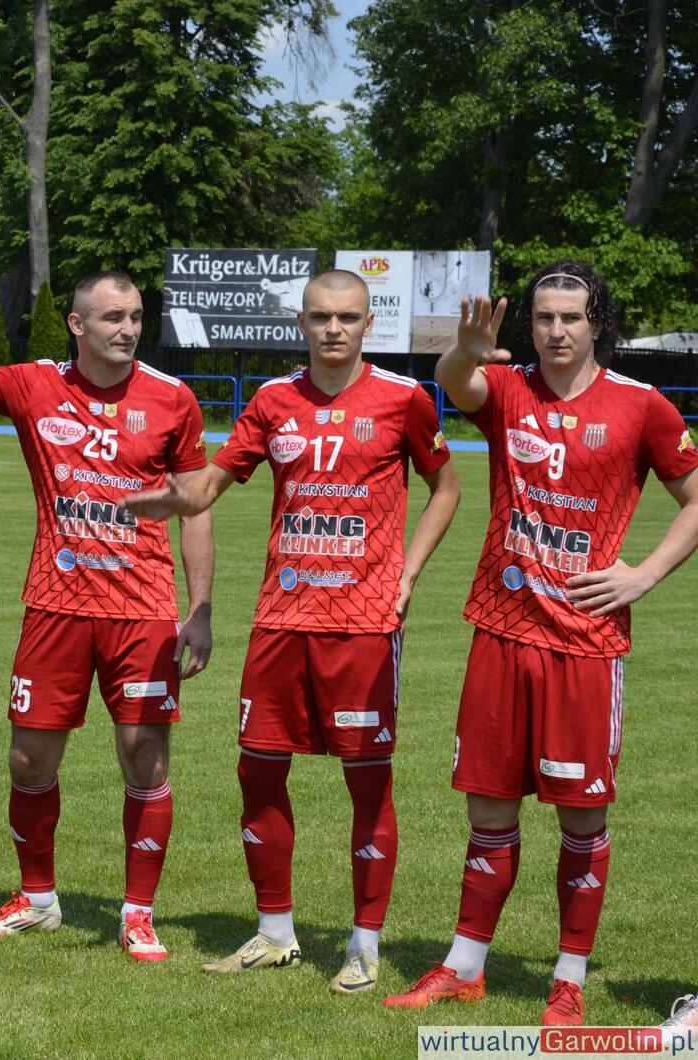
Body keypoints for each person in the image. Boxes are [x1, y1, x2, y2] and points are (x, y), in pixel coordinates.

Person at [124, 270, 460, 992]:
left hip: (363, 623)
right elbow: (213, 482)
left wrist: (406, 574)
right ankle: (275, 932)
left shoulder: (403, 398)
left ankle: (364, 944)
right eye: (320, 317)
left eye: (347, 317)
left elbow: (447, 488)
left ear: (368, 324)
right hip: (281, 618)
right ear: (301, 324)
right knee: (258, 771)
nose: (333, 328)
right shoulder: (273, 401)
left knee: (366, 781)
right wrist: (171, 496)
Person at [0, 236, 214, 961]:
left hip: (141, 611)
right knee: (29, 762)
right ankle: (37, 900)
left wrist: (201, 608)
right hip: (55, 605)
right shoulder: (35, 385)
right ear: (77, 324)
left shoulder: (172, 398)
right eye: (114, 317)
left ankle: (138, 913)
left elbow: (195, 507)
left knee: (145, 759)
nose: (128, 328)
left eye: (136, 316)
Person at [382, 262, 698, 1024]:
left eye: (572, 318)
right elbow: (457, 383)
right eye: (545, 317)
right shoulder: (509, 388)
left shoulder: (642, 407)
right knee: (488, 808)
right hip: (501, 628)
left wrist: (643, 575)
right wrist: (462, 351)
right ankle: (465, 966)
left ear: (598, 324)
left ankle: (568, 979)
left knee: (580, 819)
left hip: (584, 644)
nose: (557, 331)